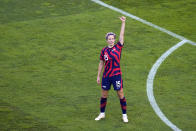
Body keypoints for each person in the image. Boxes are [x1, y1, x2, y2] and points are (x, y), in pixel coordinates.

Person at [95, 16, 128, 123]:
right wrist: (98, 76)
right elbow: (101, 63)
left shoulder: (118, 47)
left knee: (120, 94)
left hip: (116, 75)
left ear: (114, 39)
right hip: (106, 76)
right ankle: (102, 113)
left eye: (112, 38)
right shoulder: (103, 50)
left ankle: (124, 115)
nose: (111, 40)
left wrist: (123, 23)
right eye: (109, 39)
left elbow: (122, 35)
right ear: (107, 40)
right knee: (104, 94)